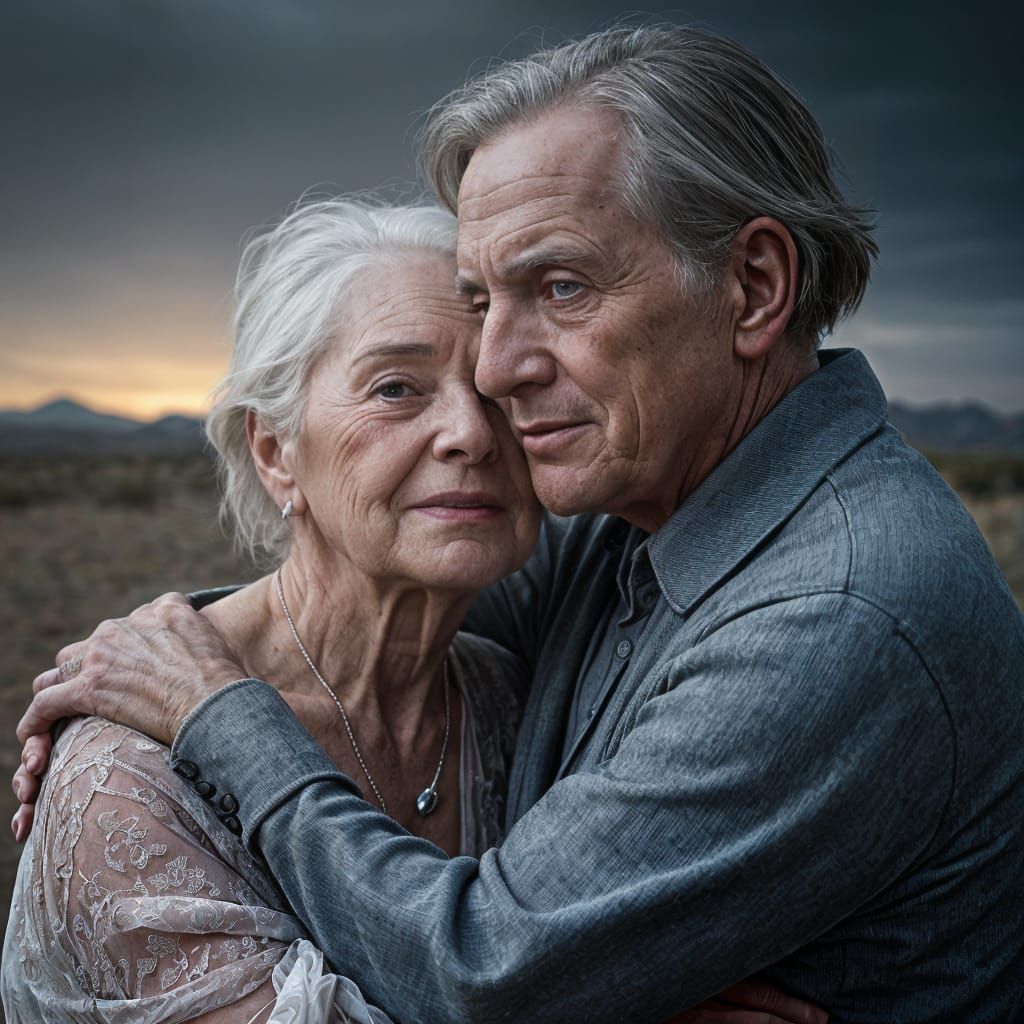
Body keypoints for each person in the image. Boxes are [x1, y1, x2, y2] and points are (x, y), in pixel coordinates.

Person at [13, 23, 1024, 1023]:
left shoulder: (836, 608)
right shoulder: (637, 508)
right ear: (271, 448)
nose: (496, 373)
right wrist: (155, 655)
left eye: (561, 286)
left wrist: (219, 713)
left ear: (752, 288)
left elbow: (488, 974)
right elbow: (384, 571)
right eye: (481, 303)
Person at [1, 198, 542, 1021]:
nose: (471, 432)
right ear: (275, 452)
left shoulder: (506, 699)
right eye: (396, 388)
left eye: (498, 390)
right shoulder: (128, 779)